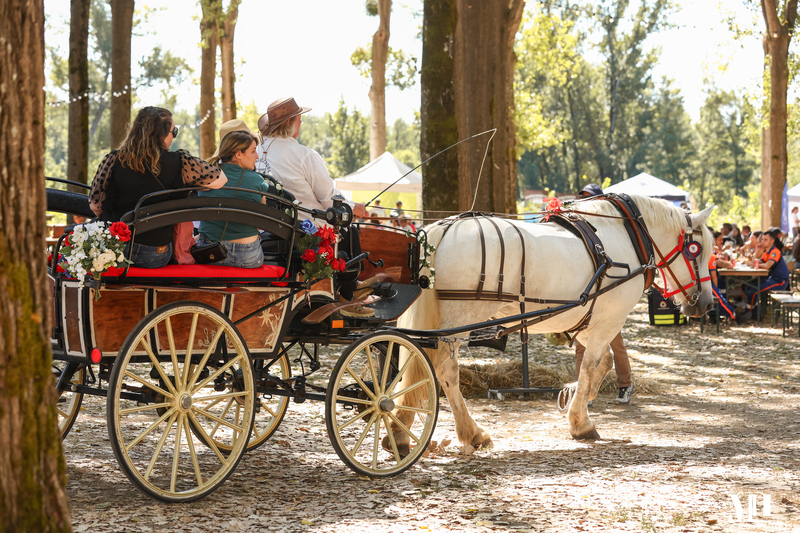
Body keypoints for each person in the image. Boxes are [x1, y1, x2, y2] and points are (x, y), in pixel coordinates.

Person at [255, 97, 373, 317]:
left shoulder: (255, 153)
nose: (301, 123)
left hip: (266, 229)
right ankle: (347, 293)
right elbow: (329, 199)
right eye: (299, 119)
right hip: (302, 229)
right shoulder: (304, 156)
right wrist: (354, 207)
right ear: (291, 122)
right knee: (349, 228)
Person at [89, 106, 227, 268]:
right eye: (173, 131)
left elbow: (95, 206)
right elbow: (220, 179)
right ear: (162, 134)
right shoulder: (180, 162)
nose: (174, 137)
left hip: (113, 249)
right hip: (155, 254)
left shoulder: (113, 159)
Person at [574, 182, 634, 405]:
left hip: (608, 299)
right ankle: (583, 391)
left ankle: (625, 385)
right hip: (587, 297)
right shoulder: (580, 226)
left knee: (616, 344)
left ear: (600, 200)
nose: (585, 201)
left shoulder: (609, 228)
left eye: (589, 197)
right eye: (583, 197)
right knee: (582, 347)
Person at [196, 131, 268, 268]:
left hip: (208, 253)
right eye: (253, 151)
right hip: (247, 256)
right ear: (238, 154)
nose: (257, 157)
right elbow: (260, 224)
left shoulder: (208, 176)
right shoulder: (257, 181)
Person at [742, 229, 790, 321]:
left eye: (765, 240)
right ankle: (755, 314)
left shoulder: (775, 252)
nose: (762, 241)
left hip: (780, 281)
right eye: (762, 239)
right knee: (749, 287)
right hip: (772, 279)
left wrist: (756, 264)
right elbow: (753, 263)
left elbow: (767, 266)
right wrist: (757, 250)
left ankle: (747, 313)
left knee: (753, 290)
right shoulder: (766, 253)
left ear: (772, 241)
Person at [707, 232, 737, 323]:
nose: (722, 242)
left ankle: (715, 314)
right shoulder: (711, 255)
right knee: (720, 297)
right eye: (720, 240)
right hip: (708, 284)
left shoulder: (709, 254)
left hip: (706, 282)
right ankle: (734, 315)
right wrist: (716, 290)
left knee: (722, 285)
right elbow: (727, 265)